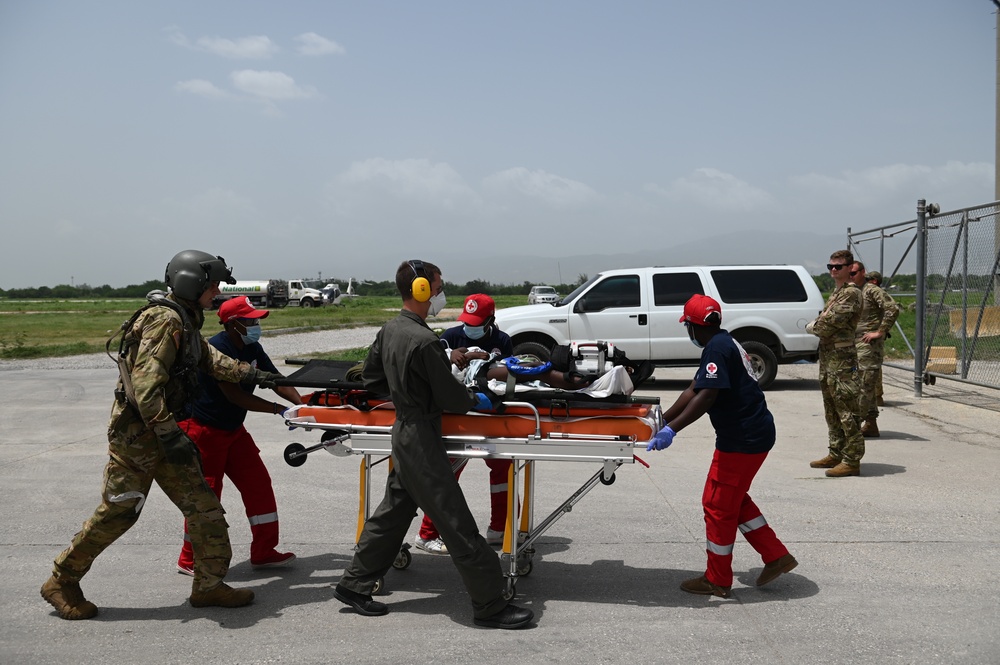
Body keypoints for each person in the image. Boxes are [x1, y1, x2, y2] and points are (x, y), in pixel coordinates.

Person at [41, 250, 285, 620]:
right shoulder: (163, 321)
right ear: (193, 281)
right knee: (119, 514)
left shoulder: (185, 320)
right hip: (141, 439)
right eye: (213, 284)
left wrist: (254, 376)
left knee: (205, 511)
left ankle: (208, 586)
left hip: (166, 437)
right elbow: (145, 388)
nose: (216, 291)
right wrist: (170, 436)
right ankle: (61, 579)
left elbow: (209, 359)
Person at [333, 260, 534, 630]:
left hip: (404, 431)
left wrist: (407, 389)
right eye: (439, 286)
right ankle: (490, 604)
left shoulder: (391, 329)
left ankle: (354, 584)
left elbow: (373, 377)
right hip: (422, 437)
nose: (441, 293)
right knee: (455, 520)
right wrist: (477, 399)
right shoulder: (424, 341)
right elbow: (452, 399)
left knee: (393, 512)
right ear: (423, 289)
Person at [645, 294, 797, 598]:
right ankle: (776, 555)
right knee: (733, 499)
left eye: (687, 325)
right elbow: (694, 388)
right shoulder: (724, 342)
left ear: (693, 325)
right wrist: (660, 419)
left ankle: (717, 579)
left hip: (742, 440)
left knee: (716, 504)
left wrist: (671, 430)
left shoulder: (716, 348)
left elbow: (706, 397)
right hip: (752, 434)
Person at [174, 296, 302, 576]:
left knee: (258, 484)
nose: (256, 325)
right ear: (233, 325)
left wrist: (300, 405)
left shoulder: (252, 345)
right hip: (204, 430)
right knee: (207, 496)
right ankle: (189, 559)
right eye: (250, 320)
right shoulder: (216, 349)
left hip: (233, 430)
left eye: (256, 320)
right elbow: (235, 396)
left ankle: (264, 552)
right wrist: (279, 409)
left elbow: (275, 380)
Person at [414, 294, 516, 555]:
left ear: (491, 320)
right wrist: (450, 356)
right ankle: (427, 533)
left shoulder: (502, 341)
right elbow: (430, 370)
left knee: (504, 471)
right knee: (447, 474)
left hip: (489, 416)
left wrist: (486, 362)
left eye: (477, 322)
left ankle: (499, 529)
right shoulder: (450, 336)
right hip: (456, 416)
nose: (470, 327)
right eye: (467, 322)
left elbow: (509, 378)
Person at [807, 249, 864, 477]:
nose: (833, 270)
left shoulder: (850, 294)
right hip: (829, 358)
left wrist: (814, 326)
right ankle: (836, 452)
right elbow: (824, 320)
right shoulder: (837, 293)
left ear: (850, 269)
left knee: (847, 409)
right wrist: (818, 324)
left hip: (842, 359)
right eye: (830, 266)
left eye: (838, 266)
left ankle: (852, 460)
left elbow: (825, 325)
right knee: (831, 408)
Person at [849, 263, 899, 438]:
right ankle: (871, 424)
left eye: (854, 273)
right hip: (854, 343)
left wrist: (880, 331)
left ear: (862, 272)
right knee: (862, 385)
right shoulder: (852, 291)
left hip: (868, 346)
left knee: (864, 385)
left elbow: (892, 308)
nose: (850, 276)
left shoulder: (871, 290)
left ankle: (853, 426)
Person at [866, 270, 890, 407]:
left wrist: (881, 331)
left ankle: (877, 396)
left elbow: (891, 309)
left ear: (874, 281)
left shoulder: (876, 292)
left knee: (874, 367)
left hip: (873, 336)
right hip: (867, 335)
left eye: (867, 279)